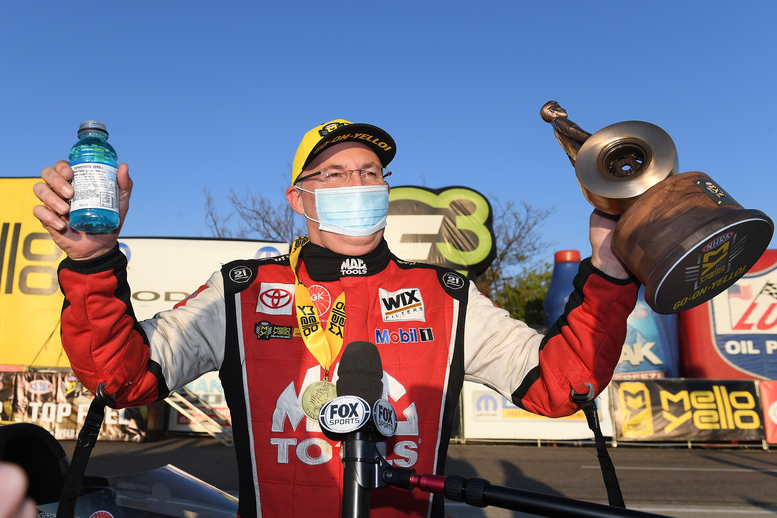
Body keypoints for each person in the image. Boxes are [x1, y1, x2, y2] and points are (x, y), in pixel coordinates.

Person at [34, 119, 638, 518]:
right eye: (335, 173)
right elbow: (122, 379)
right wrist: (92, 265)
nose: (358, 183)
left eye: (371, 173)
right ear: (298, 199)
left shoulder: (444, 293)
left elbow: (565, 386)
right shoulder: (243, 289)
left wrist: (610, 273)